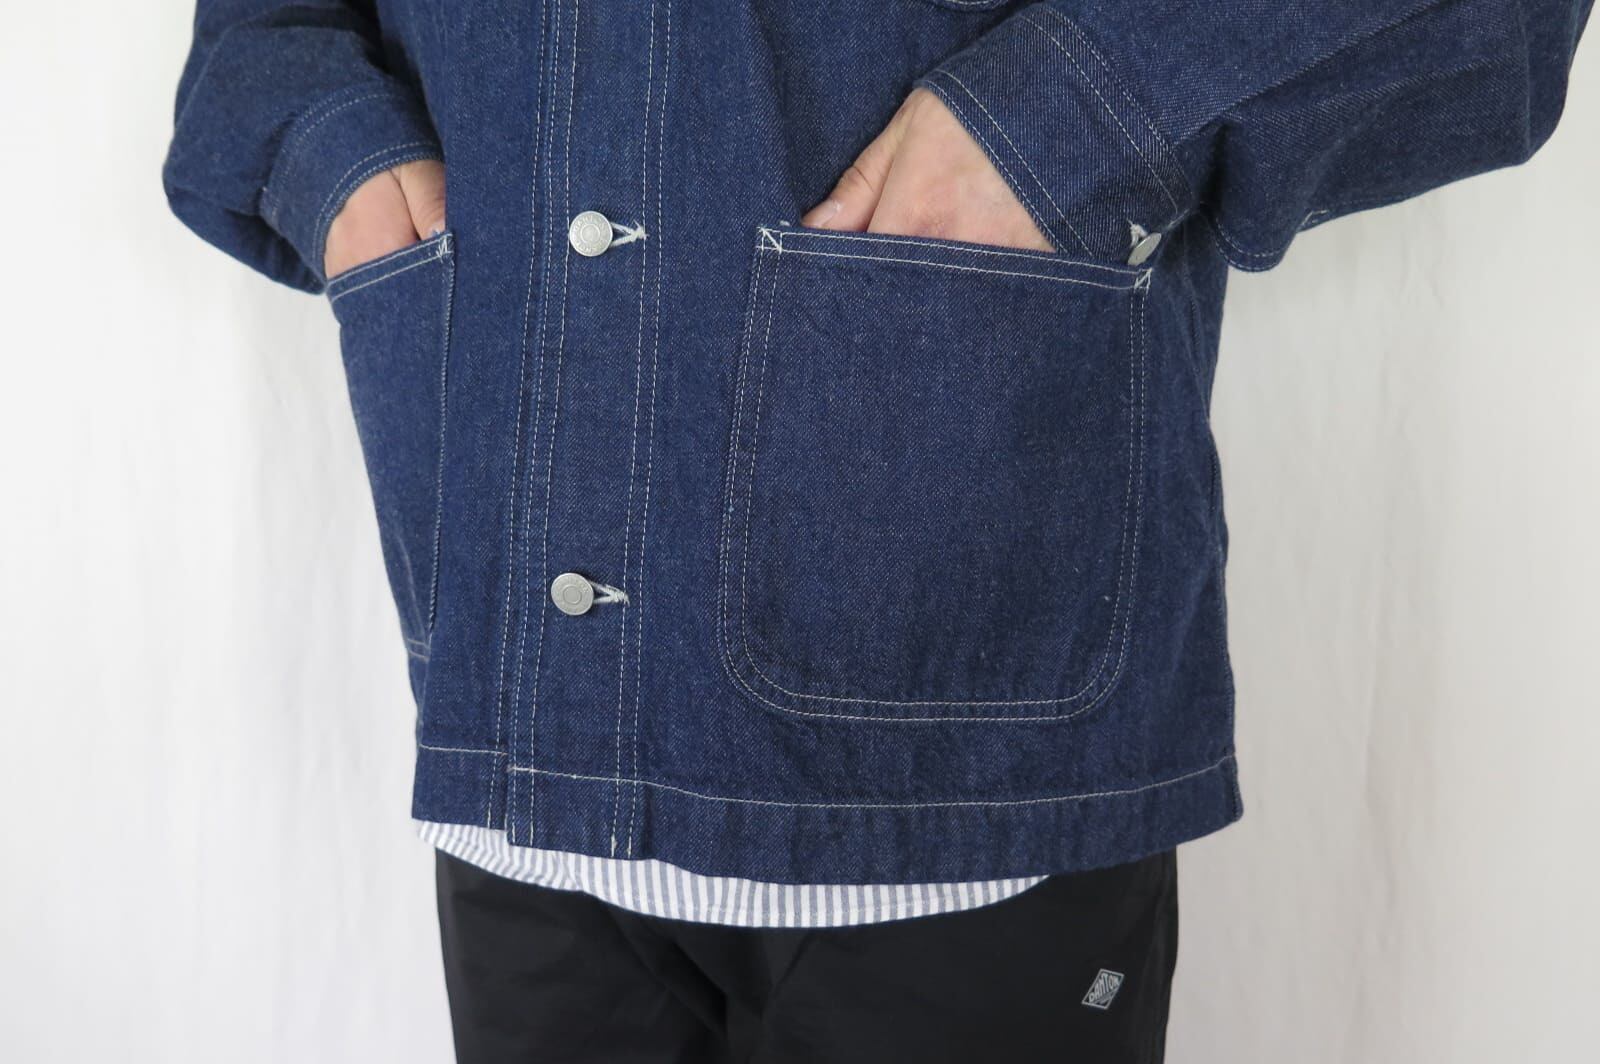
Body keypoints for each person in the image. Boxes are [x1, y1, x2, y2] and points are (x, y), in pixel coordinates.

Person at [163, 2, 1592, 1060]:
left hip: (964, 783)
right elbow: (264, 31)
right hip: (526, 753)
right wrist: (335, 159)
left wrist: (1073, 113)